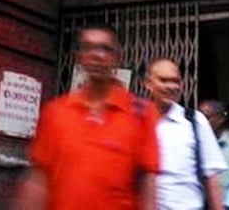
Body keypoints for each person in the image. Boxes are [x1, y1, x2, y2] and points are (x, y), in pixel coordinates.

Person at [17, 24, 158, 210]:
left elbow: (147, 182)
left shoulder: (140, 113)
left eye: (105, 49)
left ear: (117, 57)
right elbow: (38, 180)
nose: (97, 55)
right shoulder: (55, 112)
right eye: (88, 48)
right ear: (79, 56)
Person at [145, 59, 226, 210]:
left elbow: (211, 179)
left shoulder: (194, 121)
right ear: (148, 84)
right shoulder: (137, 120)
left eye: (175, 81)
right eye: (163, 80)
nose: (171, 86)